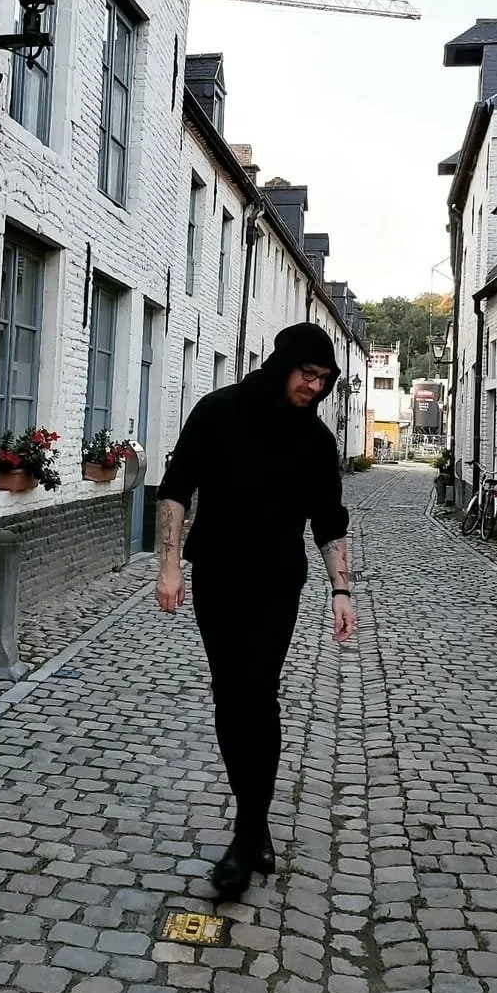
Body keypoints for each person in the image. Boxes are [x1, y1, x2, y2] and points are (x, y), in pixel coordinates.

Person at [155, 322, 356, 900]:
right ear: (283, 365)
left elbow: (329, 520)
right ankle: (257, 822)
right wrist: (169, 566)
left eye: (324, 380)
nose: (314, 388)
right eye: (307, 375)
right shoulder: (217, 413)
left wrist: (341, 590)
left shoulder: (316, 442)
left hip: (276, 584)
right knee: (228, 695)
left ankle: (245, 837)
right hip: (217, 576)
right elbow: (175, 488)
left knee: (258, 694)